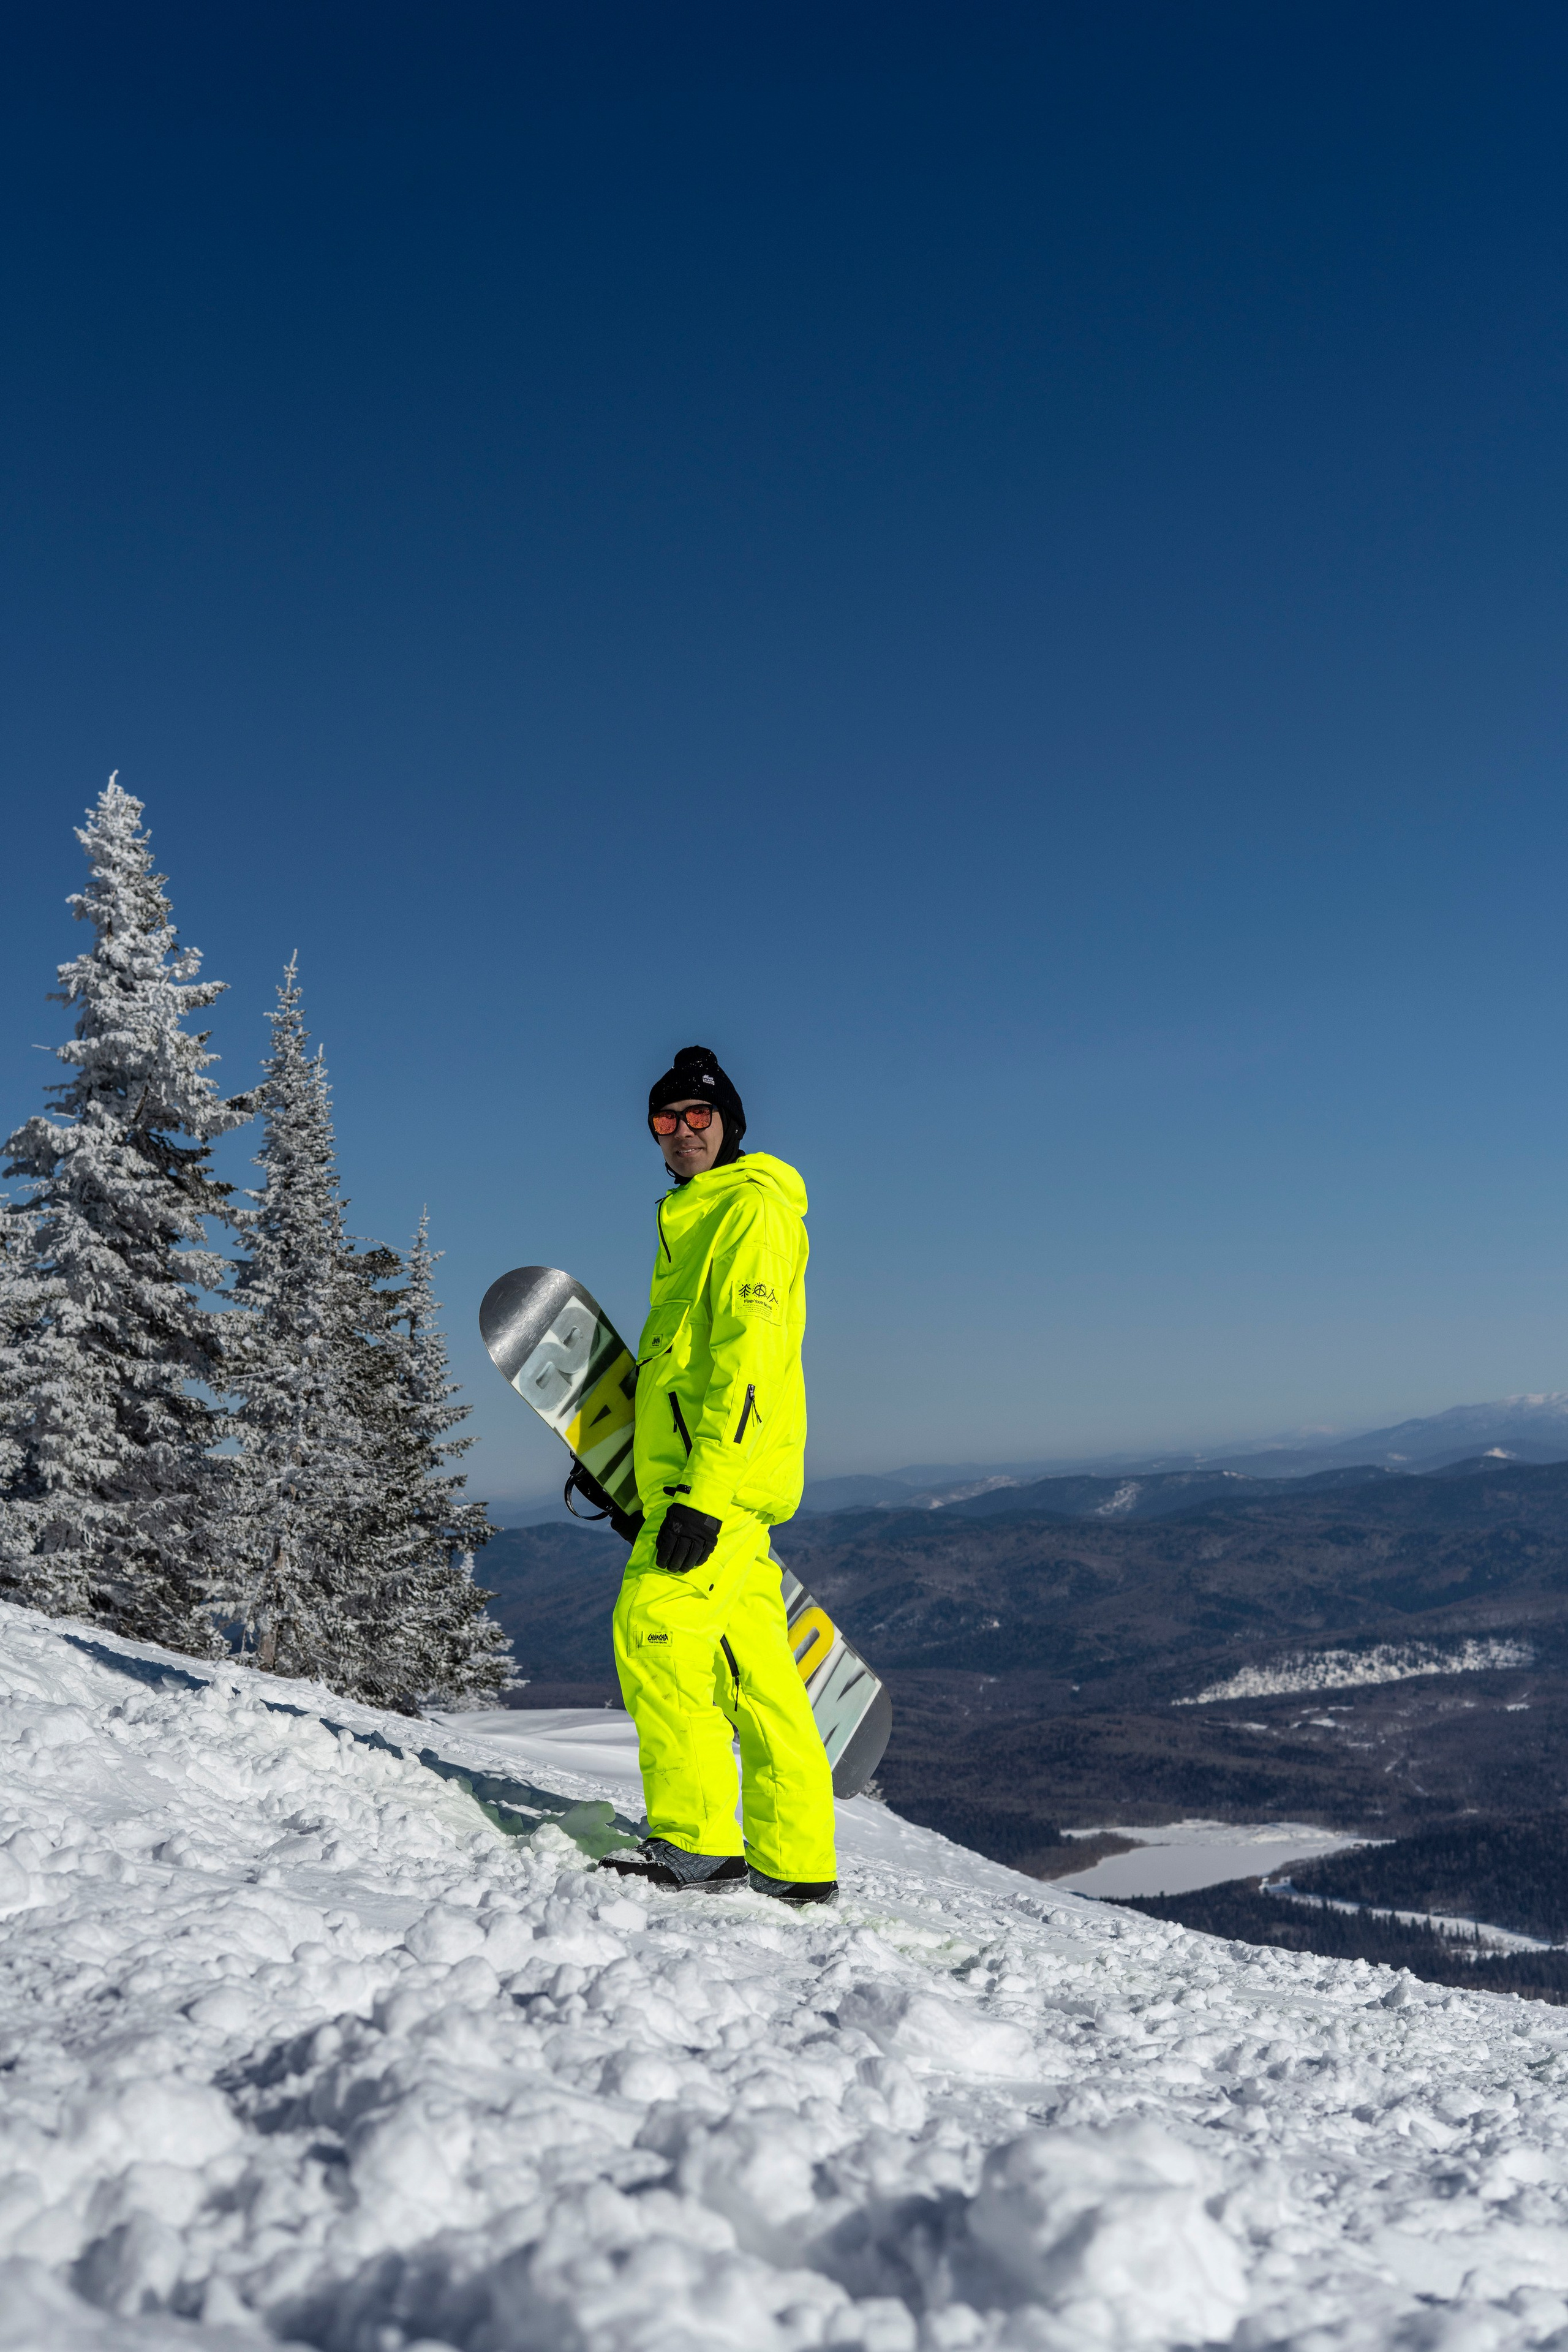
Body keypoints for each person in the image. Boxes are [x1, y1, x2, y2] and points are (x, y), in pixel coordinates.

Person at [602, 1044, 838, 1904]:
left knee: (653, 1629)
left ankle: (698, 1844)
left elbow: (747, 1368)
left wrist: (699, 1497)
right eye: (665, 1119)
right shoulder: (694, 1217)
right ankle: (797, 1861)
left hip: (721, 1488)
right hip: (708, 1484)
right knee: (758, 1671)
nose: (680, 1132)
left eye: (698, 1116)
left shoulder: (749, 1217)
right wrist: (650, 1483)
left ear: (729, 1124)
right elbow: (680, 1375)